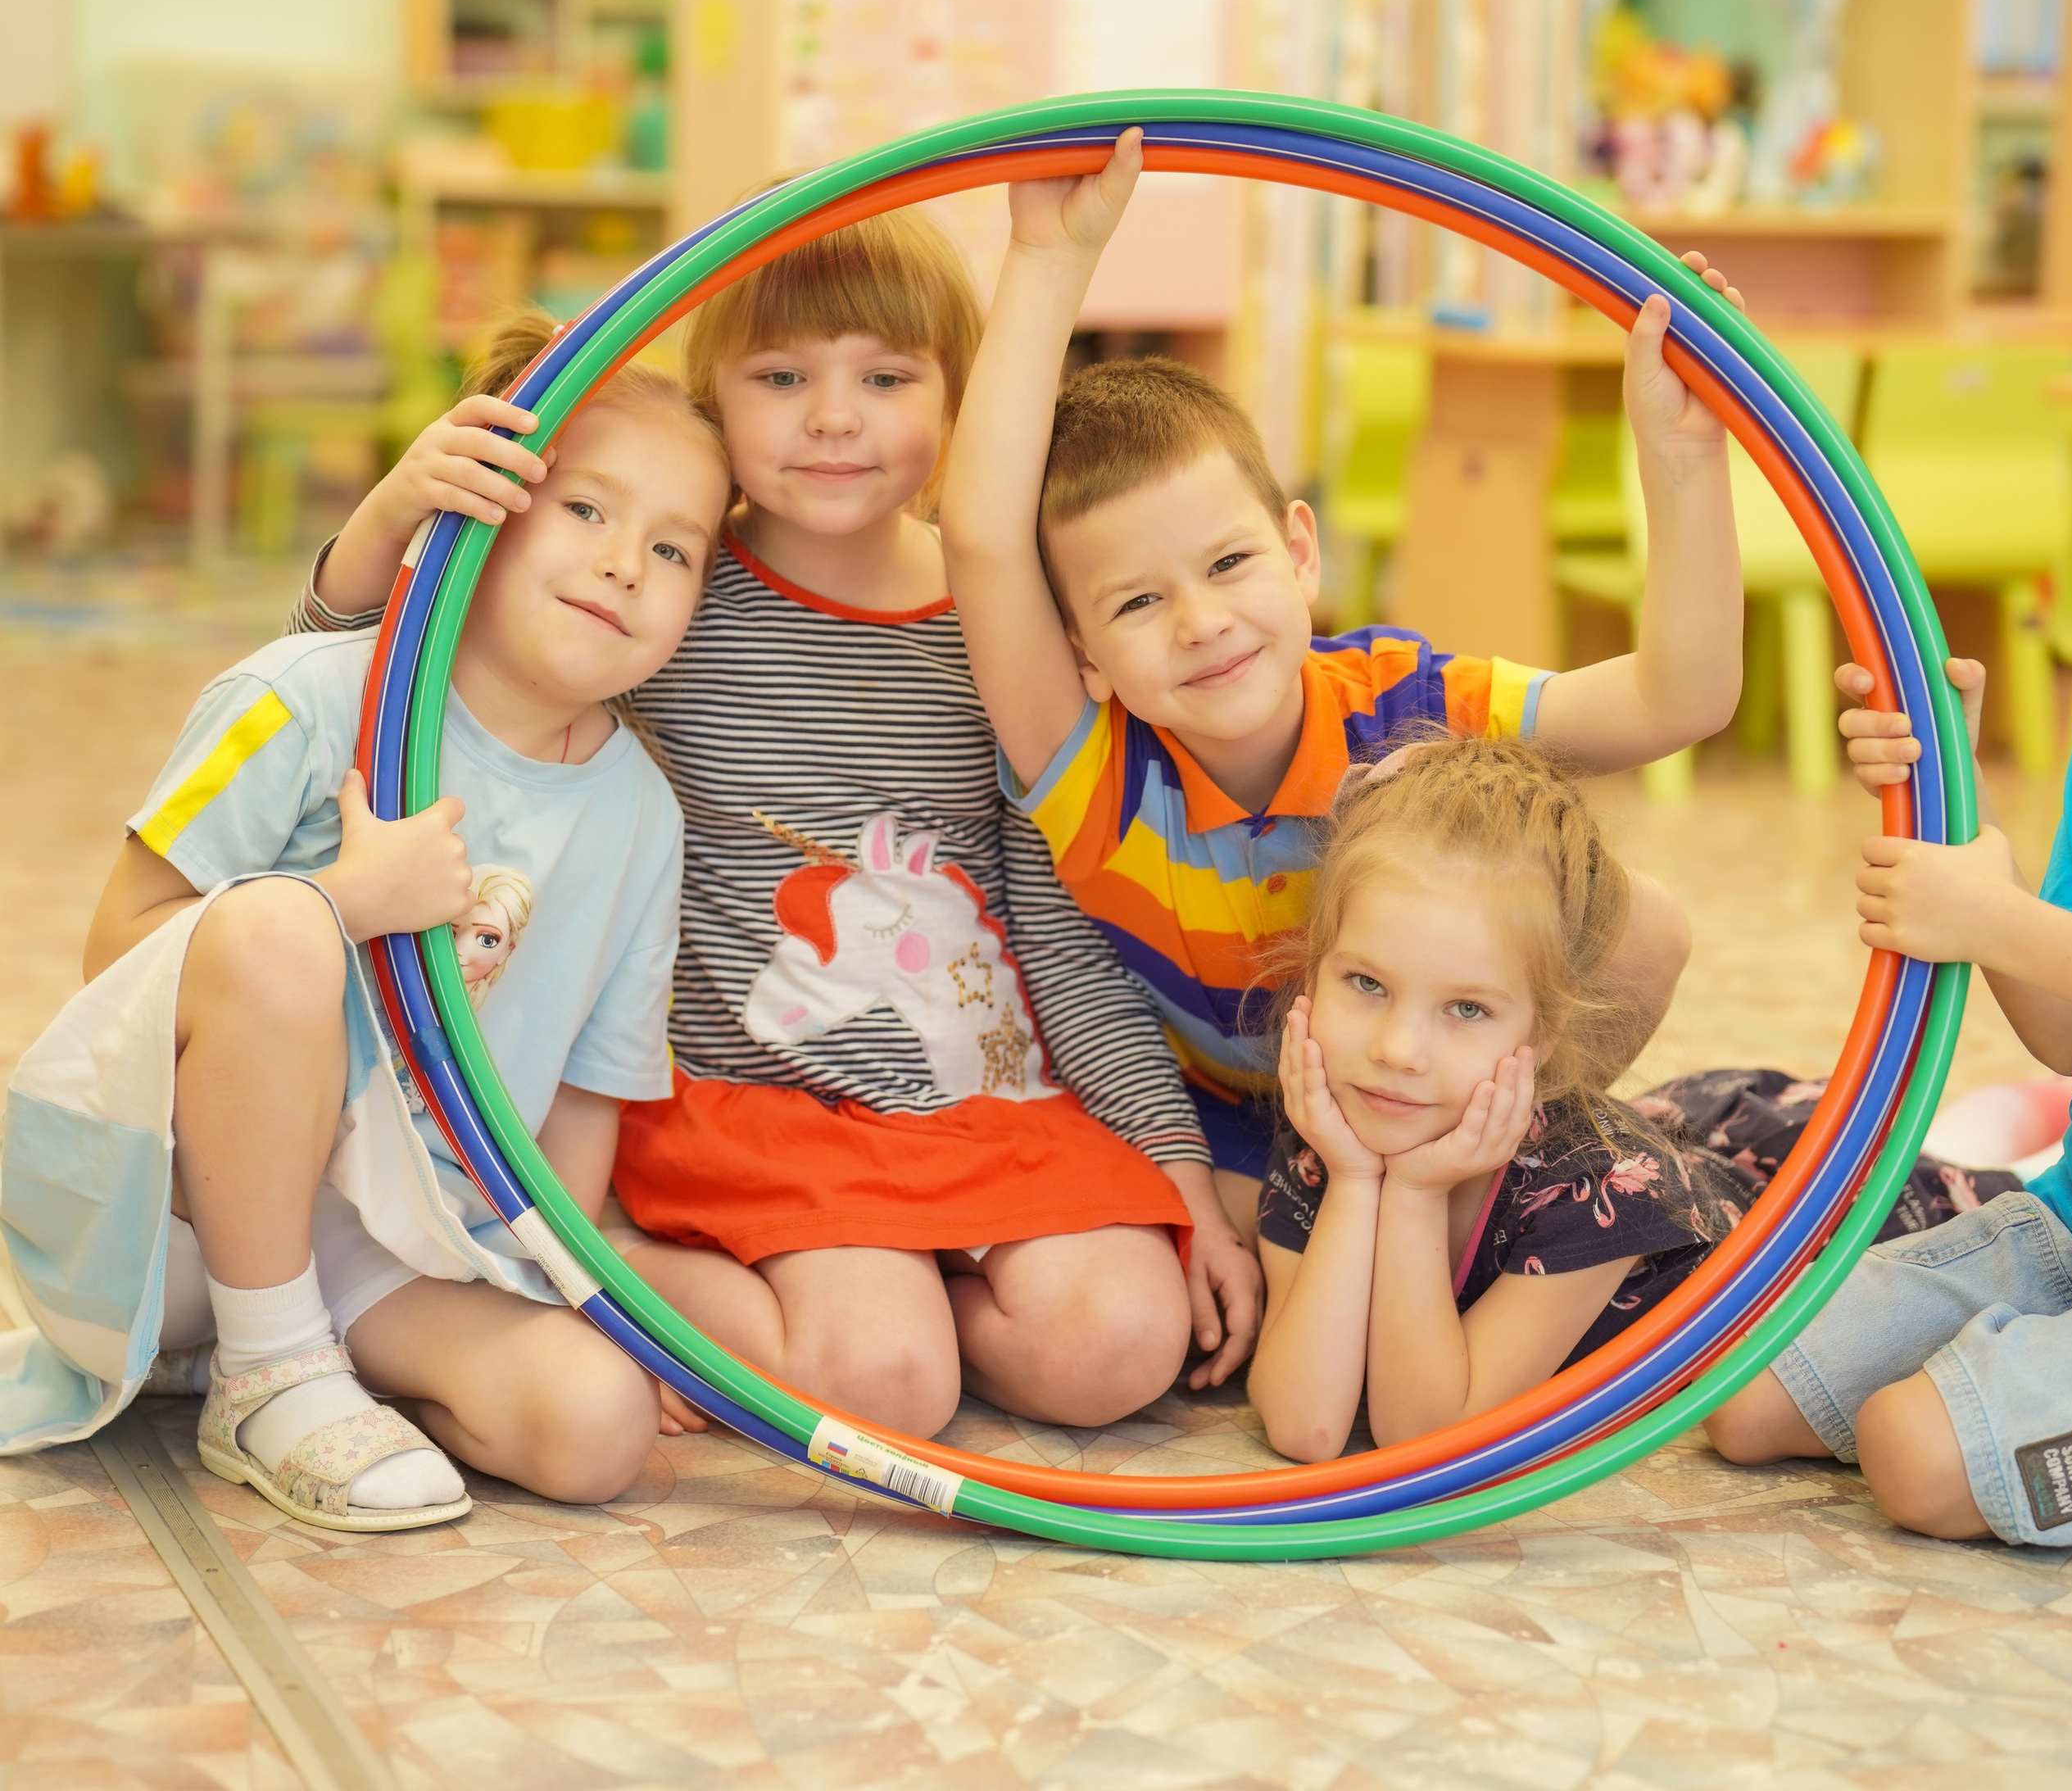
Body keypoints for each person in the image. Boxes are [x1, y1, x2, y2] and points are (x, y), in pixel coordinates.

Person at [291, 210, 1264, 1440]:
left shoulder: (1005, 624)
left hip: (981, 1108)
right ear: (716, 401)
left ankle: (909, 1283)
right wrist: (388, 522)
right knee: (885, 1379)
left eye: (887, 376)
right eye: (783, 377)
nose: (835, 418)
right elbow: (371, 696)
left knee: (1120, 1344)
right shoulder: (668, 577)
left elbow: (1059, 933)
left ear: (959, 399)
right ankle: (623, 1260)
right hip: (749, 1111)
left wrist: (1177, 1172)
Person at [939, 129, 1746, 1240]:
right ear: (1081, 650)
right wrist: (1048, 260)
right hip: (1234, 1121)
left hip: (1424, 1083)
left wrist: (1683, 459)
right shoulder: (1096, 771)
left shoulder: (1402, 702)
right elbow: (981, 542)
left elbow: (1678, 700)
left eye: (1230, 564)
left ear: (1300, 551)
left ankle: (1485, 1189)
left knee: (1641, 925)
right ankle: (1393, 1224)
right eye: (1137, 603)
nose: (1203, 622)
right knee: (1243, 1307)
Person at [0, 317, 732, 1530]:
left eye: (675, 549)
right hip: (170, 1221)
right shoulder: (302, 695)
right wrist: (342, 905)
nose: (624, 568)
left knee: (596, 1429)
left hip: (390, 1247)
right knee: (282, 928)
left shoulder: (643, 815)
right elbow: (118, 952)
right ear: (480, 505)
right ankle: (266, 1365)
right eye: (587, 513)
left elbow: (590, 1096)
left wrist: (570, 1300)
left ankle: (289, 1358)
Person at [1242, 735, 2022, 1463]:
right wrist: (1351, 1181)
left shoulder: (1595, 1189)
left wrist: (1409, 1193)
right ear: (1313, 975)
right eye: (1366, 984)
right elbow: (1306, 1424)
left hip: (1827, 1205)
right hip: (1692, 1139)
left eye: (1467, 1008)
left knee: (1997, 1200)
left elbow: (1427, 1435)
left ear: (1544, 1036)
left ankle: (2029, 1131)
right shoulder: (1333, 1128)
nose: (1397, 1051)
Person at [1705, 659, 2072, 1546]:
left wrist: (1990, 916)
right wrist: (1957, 793)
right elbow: (2066, 1030)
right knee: (1741, 1393)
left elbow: (2003, 925)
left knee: (1913, 1453)